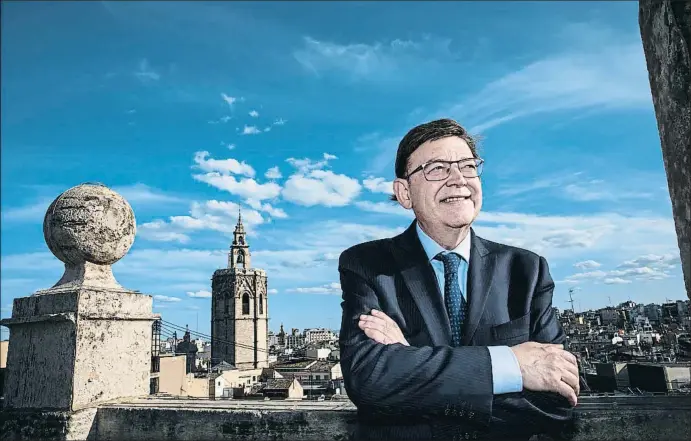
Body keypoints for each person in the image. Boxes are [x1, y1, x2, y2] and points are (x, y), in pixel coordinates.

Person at [338, 119, 579, 441]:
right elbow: (370, 380)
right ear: (404, 192)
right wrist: (511, 365)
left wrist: (410, 362)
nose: (457, 180)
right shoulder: (368, 265)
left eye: (467, 166)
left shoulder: (527, 269)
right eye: (436, 168)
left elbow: (558, 397)